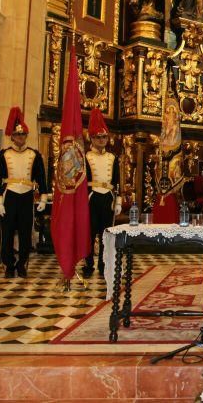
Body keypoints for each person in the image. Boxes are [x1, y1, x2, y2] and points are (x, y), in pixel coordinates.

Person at [0, 107, 48, 278]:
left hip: (26, 196)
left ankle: (22, 263)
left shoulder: (34, 155)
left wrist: (44, 199)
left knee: (25, 232)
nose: (20, 138)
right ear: (12, 136)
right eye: (17, 135)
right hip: (9, 195)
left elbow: (41, 178)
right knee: (7, 231)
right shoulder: (3, 155)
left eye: (23, 134)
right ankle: (9, 264)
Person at [82, 109, 121, 278]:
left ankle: (103, 262)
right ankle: (88, 264)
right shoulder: (86, 156)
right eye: (98, 137)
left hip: (108, 197)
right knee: (89, 233)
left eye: (104, 137)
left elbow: (117, 181)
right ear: (91, 138)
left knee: (106, 233)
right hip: (92, 197)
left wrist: (118, 201)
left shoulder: (113, 158)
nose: (102, 140)